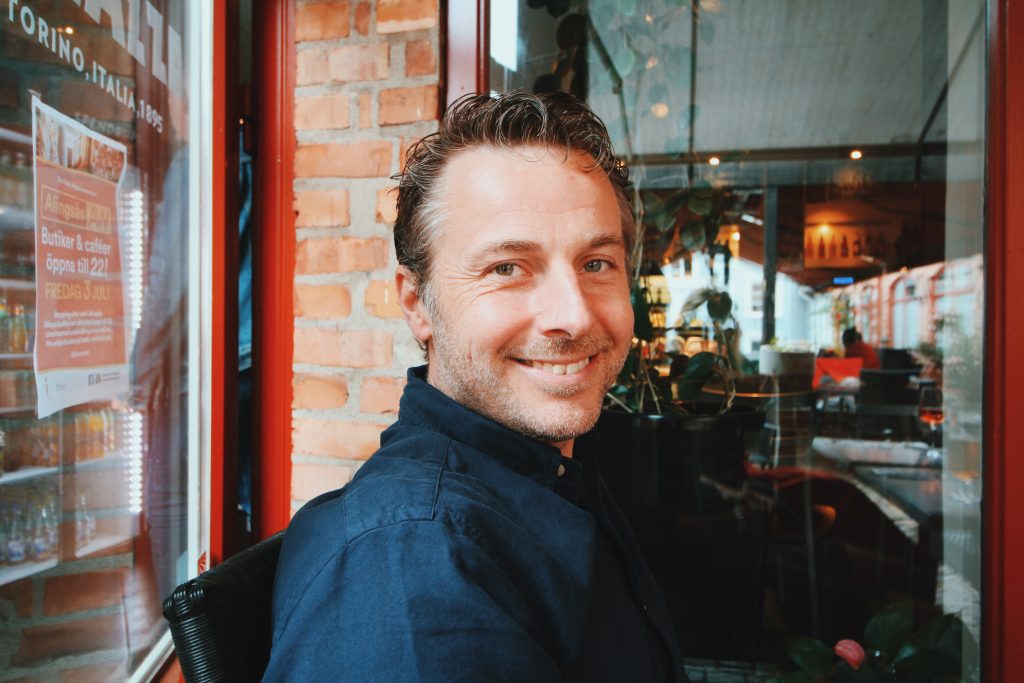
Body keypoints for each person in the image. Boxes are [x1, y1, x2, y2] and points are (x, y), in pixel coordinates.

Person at [263, 91, 685, 681]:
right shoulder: (411, 566)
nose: (575, 315)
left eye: (596, 264)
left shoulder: (559, 466)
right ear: (418, 304)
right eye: (507, 268)